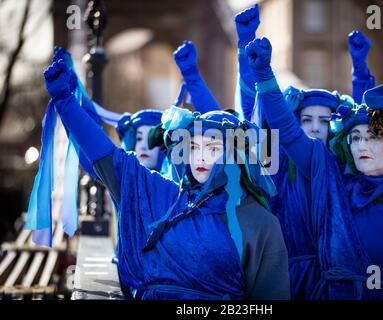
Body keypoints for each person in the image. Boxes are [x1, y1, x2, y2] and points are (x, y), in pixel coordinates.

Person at [42, 58, 290, 300]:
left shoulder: (261, 224)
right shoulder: (163, 195)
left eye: (213, 148)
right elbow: (107, 158)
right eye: (193, 146)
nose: (200, 157)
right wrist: (65, 101)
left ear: (236, 155)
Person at [245, 36, 383, 300]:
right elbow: (289, 133)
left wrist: (360, 70)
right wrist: (263, 74)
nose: (363, 145)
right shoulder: (335, 184)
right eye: (355, 138)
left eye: (373, 138)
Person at [233, 5, 374, 299]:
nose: (315, 128)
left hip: (330, 285)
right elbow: (253, 115)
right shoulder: (277, 160)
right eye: (306, 120)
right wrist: (245, 47)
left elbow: (363, 123)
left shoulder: (342, 165)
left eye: (324, 121)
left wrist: (360, 72)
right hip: (282, 280)